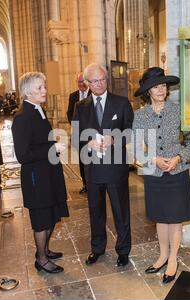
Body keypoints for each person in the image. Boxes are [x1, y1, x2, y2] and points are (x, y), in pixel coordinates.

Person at [132, 67, 190, 284]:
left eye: (163, 86)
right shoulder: (139, 116)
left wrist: (179, 157)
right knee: (161, 218)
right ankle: (162, 255)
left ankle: (172, 259)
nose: (160, 90)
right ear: (147, 91)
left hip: (177, 172)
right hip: (154, 173)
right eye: (155, 87)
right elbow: (134, 148)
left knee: (175, 219)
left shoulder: (178, 111)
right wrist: (154, 160)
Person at [73, 63, 134, 267]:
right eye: (95, 81)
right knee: (95, 211)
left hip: (116, 168)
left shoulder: (121, 102)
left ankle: (123, 250)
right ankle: (97, 248)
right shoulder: (81, 107)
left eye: (102, 79)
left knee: (120, 211)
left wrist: (114, 140)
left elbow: (130, 130)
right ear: (87, 84)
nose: (100, 84)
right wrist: (87, 142)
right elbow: (75, 136)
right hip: (93, 169)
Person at [12, 72, 69, 274]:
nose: (44, 90)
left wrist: (53, 144)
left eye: (44, 86)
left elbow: (40, 141)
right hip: (37, 177)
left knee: (51, 213)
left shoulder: (38, 110)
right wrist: (53, 148)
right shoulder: (22, 117)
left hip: (48, 172)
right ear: (28, 92)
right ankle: (42, 260)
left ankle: (44, 249)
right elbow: (23, 154)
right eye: (39, 88)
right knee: (41, 219)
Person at [67, 72, 91, 194]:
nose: (81, 84)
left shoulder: (93, 94)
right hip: (79, 134)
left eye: (82, 81)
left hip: (92, 134)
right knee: (82, 160)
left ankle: (94, 182)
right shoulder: (73, 96)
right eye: (78, 82)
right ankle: (85, 184)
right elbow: (69, 113)